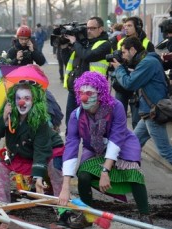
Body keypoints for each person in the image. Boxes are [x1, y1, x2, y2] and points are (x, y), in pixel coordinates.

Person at [58, 71, 156, 229]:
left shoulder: (116, 107)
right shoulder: (76, 116)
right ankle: (87, 214)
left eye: (89, 93)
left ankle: (145, 217)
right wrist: (65, 186)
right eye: (81, 93)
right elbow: (71, 147)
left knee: (134, 174)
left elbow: (116, 139)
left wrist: (105, 171)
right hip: (95, 150)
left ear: (100, 93)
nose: (84, 98)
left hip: (123, 145)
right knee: (83, 175)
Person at [0, 80, 64, 203]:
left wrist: (38, 177)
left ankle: (62, 205)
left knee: (54, 168)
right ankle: (2, 203)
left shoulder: (40, 120)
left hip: (48, 149)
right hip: (22, 152)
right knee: (0, 167)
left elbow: (41, 150)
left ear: (34, 100)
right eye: (18, 98)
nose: (21, 102)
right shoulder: (8, 113)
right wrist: (3, 118)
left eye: (26, 98)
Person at [111, 37, 172, 165]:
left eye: (124, 52)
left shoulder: (148, 63)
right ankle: (123, 171)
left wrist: (119, 69)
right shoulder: (146, 60)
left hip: (153, 113)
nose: (123, 56)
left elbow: (129, 83)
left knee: (165, 151)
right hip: (148, 112)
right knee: (132, 143)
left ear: (132, 50)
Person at [63, 16, 111, 132]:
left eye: (92, 28)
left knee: (91, 124)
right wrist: (64, 48)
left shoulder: (105, 44)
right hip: (75, 88)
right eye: (87, 28)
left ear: (101, 29)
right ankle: (70, 148)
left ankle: (92, 148)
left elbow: (87, 56)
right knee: (70, 122)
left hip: (92, 91)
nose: (88, 31)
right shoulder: (83, 43)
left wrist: (75, 43)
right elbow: (69, 62)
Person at [110, 16, 155, 129]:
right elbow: (118, 58)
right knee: (119, 118)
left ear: (138, 27)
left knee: (137, 120)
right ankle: (121, 142)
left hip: (137, 85)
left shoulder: (146, 43)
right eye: (125, 26)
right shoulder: (120, 41)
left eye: (129, 26)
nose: (126, 28)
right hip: (121, 84)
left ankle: (135, 144)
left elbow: (149, 64)